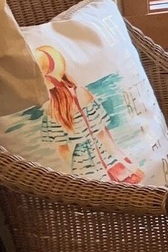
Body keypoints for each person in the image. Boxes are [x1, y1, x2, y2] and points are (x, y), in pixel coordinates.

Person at [33, 45, 143, 183]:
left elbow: (63, 150)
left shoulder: (51, 110)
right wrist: (130, 166)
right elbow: (104, 137)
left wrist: (71, 175)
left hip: (81, 167)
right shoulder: (81, 93)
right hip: (105, 158)